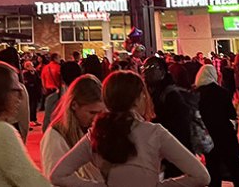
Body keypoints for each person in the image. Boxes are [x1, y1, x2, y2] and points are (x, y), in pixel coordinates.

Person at [51, 70, 209, 186]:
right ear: (139, 97)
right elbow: (201, 176)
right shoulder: (155, 133)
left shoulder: (97, 134)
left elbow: (58, 175)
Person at [40, 74, 104, 181]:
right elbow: (53, 180)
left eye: (101, 112)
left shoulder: (99, 130)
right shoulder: (55, 136)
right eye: (92, 112)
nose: (96, 118)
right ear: (74, 105)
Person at [195, 64, 239, 187]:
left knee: (213, 169)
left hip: (207, 135)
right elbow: (231, 114)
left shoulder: (196, 93)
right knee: (233, 166)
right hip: (224, 133)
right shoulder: (221, 92)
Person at [142, 56, 192, 152]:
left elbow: (179, 127)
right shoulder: (150, 92)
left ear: (162, 71)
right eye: (144, 68)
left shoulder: (170, 95)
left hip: (173, 148)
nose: (146, 72)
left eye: (151, 67)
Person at [23, 60, 42, 126]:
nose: (33, 66)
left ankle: (34, 119)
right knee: (31, 106)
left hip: (36, 92)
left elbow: (38, 80)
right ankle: (30, 120)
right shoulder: (25, 73)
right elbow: (28, 82)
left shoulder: (35, 72)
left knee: (35, 106)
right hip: (30, 92)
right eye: (31, 65)